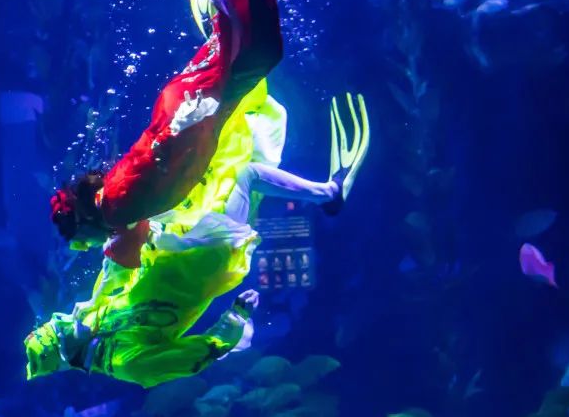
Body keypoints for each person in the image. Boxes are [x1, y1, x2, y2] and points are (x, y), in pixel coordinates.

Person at [50, 0, 368, 267]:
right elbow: (141, 208)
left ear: (83, 222)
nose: (88, 247)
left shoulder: (116, 207)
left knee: (256, 48)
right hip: (187, 116)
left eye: (81, 242)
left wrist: (188, 122)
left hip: (188, 117)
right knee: (246, 42)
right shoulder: (118, 208)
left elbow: (149, 168)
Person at [25, 90, 369, 389]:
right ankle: (331, 193)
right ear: (68, 352)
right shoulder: (126, 363)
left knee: (227, 169)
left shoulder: (95, 321)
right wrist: (234, 320)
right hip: (204, 261)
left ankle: (324, 189)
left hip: (179, 247)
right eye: (61, 331)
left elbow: (123, 277)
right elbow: (192, 357)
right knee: (244, 175)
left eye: (59, 322)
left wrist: (131, 238)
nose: (67, 319)